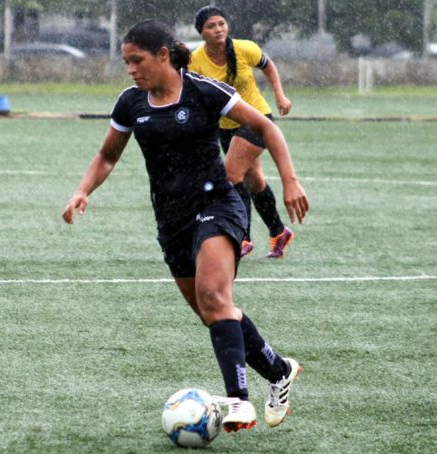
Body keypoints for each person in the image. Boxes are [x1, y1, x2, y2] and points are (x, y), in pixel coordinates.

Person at [62, 20, 309, 432]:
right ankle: (280, 370)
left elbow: (264, 126)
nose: (131, 69)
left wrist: (290, 180)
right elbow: (107, 155)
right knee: (213, 311)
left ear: (163, 55)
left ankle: (237, 402)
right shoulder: (130, 103)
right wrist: (83, 190)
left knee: (214, 294)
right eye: (126, 62)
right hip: (171, 221)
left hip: (218, 205)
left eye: (137, 60)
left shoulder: (203, 91)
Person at [189, 5, 295, 258]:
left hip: (258, 120)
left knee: (231, 175)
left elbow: (268, 66)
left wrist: (280, 95)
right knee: (254, 182)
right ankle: (279, 231)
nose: (218, 29)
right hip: (226, 127)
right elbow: (194, 94)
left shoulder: (245, 48)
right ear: (201, 33)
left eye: (221, 24)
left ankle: (241, 237)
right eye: (211, 26)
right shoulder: (196, 60)